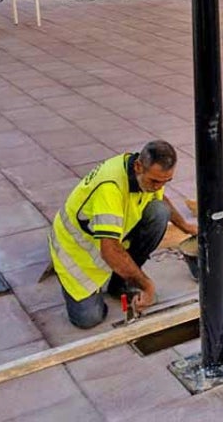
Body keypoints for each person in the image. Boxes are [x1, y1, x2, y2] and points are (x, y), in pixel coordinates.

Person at [49, 140, 197, 329]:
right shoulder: (110, 187)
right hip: (77, 250)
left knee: (159, 212)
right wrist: (147, 285)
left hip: (108, 240)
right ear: (138, 167)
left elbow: (160, 199)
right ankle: (85, 283)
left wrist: (185, 225)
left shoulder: (146, 175)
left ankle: (119, 282)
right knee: (89, 319)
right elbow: (109, 250)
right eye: (155, 181)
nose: (159, 187)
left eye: (165, 182)